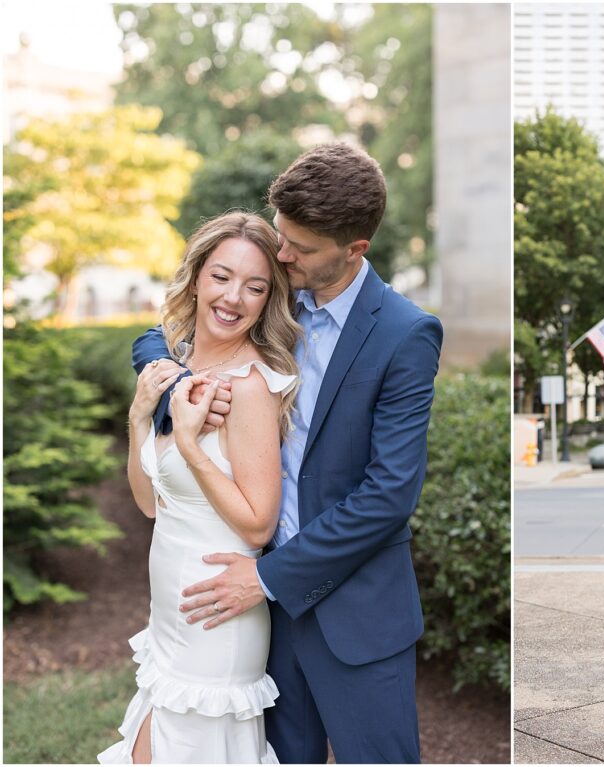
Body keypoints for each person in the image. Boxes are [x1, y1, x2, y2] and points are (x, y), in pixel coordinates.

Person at [131, 142, 443, 763]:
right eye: (281, 234)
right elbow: (163, 330)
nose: (281, 254)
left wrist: (269, 577)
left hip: (352, 613)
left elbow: (389, 495)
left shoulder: (405, 333)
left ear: (355, 249)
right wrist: (172, 388)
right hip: (260, 622)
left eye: (299, 246)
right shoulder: (273, 299)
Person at [99, 211, 301, 763]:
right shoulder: (177, 366)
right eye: (221, 276)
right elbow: (149, 504)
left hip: (216, 616)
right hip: (168, 616)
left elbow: (259, 522)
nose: (233, 297)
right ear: (195, 276)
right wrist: (141, 416)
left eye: (254, 286)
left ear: (267, 299)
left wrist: (190, 445)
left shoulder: (250, 387)